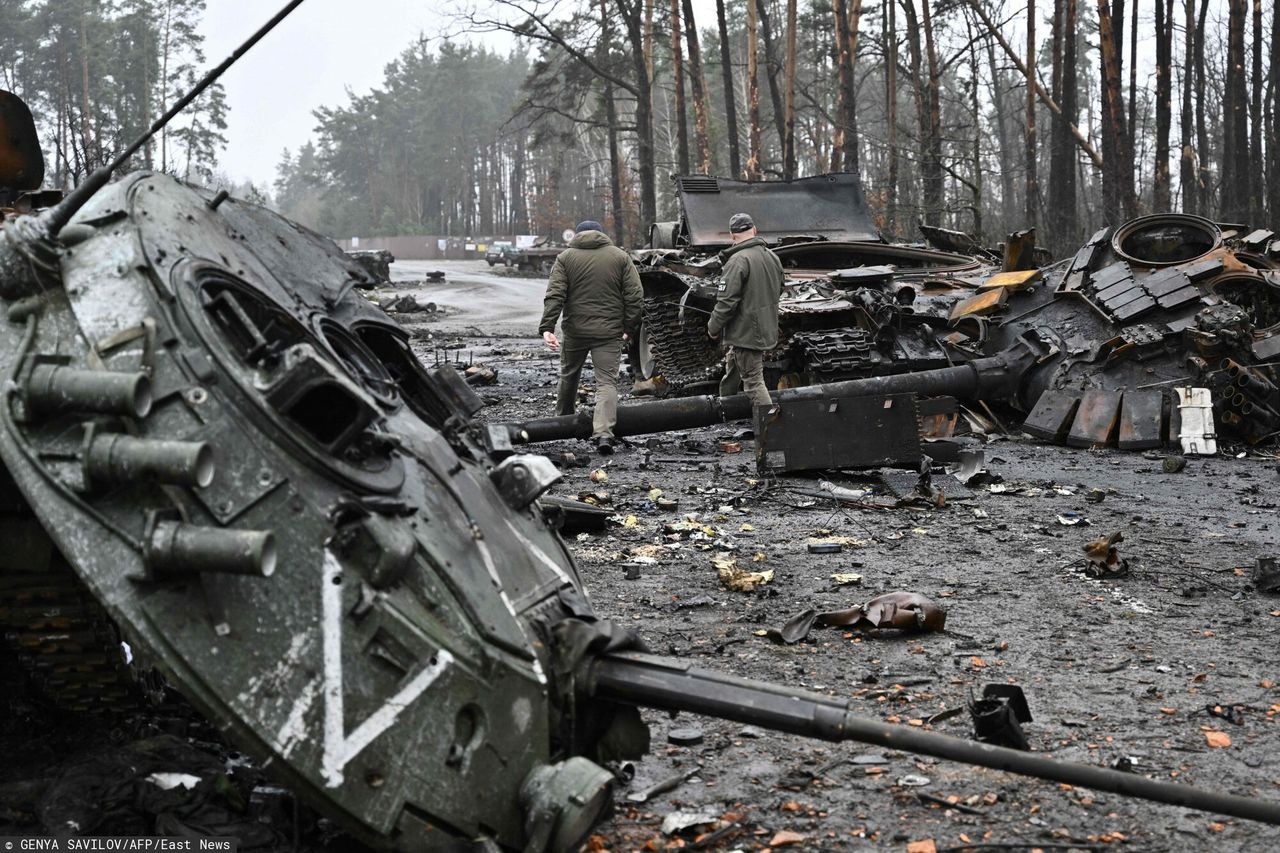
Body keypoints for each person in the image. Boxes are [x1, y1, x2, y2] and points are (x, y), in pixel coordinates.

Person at [539, 220, 643, 454]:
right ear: (601, 234)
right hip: (609, 332)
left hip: (575, 331)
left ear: (577, 235)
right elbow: (635, 295)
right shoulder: (620, 257)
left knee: (569, 373)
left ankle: (563, 421)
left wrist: (547, 327)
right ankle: (604, 434)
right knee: (606, 382)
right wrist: (629, 326)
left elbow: (555, 294)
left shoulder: (565, 258)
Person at [707, 212, 784, 409]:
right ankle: (727, 408)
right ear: (755, 230)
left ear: (732, 235)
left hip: (746, 331)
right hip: (765, 327)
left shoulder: (737, 260)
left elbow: (726, 303)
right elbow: (779, 288)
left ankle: (771, 428)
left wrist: (713, 327)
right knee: (733, 367)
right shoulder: (772, 257)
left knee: (753, 382)